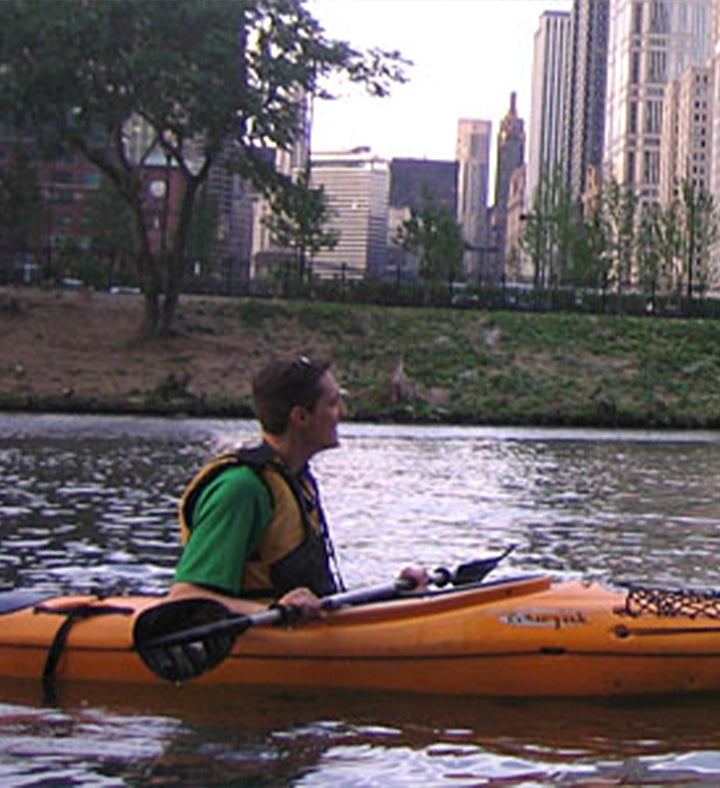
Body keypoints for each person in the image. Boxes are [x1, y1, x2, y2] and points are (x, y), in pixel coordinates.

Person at [169, 356, 426, 622]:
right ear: (301, 417)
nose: (344, 413)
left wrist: (396, 594)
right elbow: (186, 596)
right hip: (261, 645)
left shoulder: (297, 480)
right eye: (333, 403)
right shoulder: (241, 488)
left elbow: (320, 599)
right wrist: (275, 612)